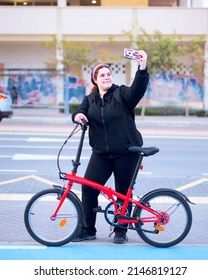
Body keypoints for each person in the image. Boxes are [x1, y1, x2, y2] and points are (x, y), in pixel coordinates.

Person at [71, 50, 149, 244]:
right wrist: (77, 116)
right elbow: (80, 111)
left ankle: (121, 230)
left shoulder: (122, 94)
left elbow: (137, 90)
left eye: (108, 74)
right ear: (95, 80)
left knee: (123, 193)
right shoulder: (90, 100)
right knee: (88, 189)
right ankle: (88, 229)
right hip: (101, 154)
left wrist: (142, 67)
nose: (106, 77)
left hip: (126, 152)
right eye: (102, 75)